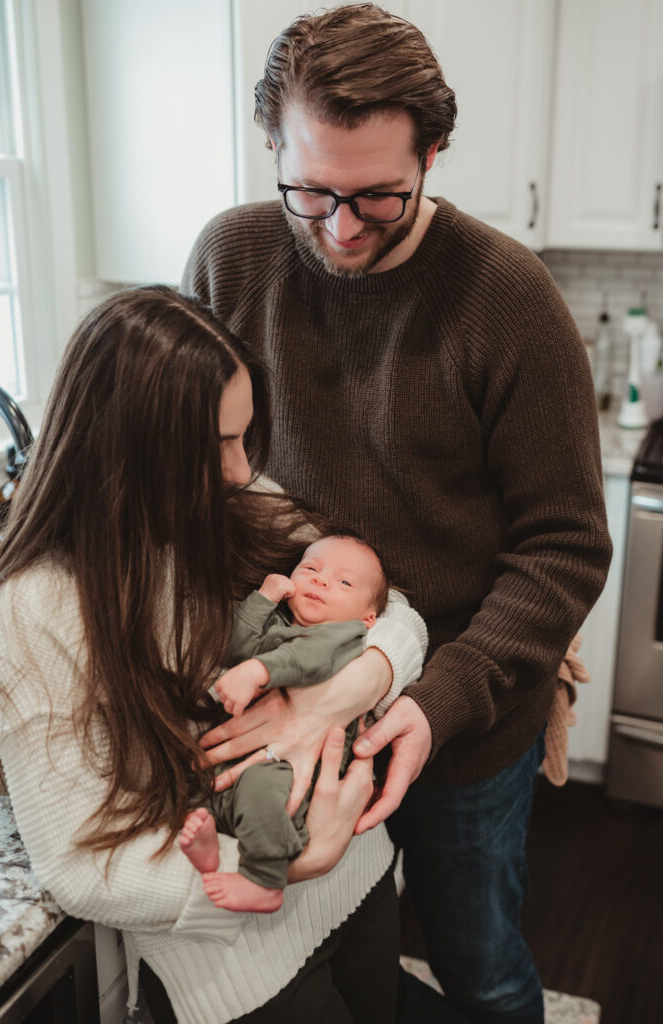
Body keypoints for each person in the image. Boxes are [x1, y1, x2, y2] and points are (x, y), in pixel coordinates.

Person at [181, 4, 613, 1022]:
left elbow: (562, 547)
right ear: (271, 147)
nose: (338, 230)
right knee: (344, 947)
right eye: (310, 191)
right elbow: (197, 470)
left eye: (378, 197)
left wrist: (432, 698)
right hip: (296, 698)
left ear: (434, 154)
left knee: (480, 966)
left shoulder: (505, 298)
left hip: (461, 714)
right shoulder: (229, 260)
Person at [0, 286, 427, 1024]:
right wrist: (281, 869)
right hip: (239, 966)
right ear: (129, 447)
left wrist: (349, 688)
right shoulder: (37, 609)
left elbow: (388, 605)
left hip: (361, 881)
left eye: (242, 438)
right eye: (217, 445)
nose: (241, 469)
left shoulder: (231, 504)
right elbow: (81, 866)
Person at [181, 533, 399, 913]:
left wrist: (259, 669)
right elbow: (233, 645)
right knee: (191, 787)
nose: (321, 580)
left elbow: (307, 658)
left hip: (294, 764)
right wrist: (262, 599)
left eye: (344, 582)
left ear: (368, 618)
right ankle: (211, 850)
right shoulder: (278, 619)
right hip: (243, 753)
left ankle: (265, 880)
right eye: (310, 569)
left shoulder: (344, 636)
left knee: (264, 796)